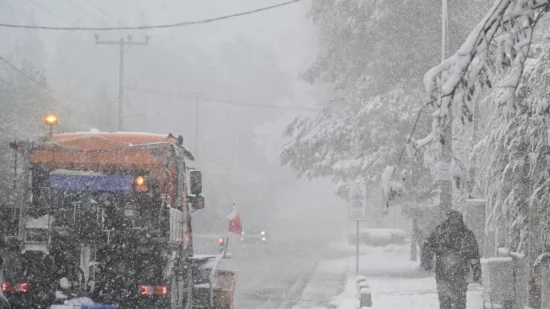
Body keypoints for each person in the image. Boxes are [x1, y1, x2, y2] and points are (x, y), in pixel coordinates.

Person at [421, 210, 482, 309]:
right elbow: (473, 255)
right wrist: (476, 270)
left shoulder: (439, 231)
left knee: (446, 301)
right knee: (458, 301)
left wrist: (427, 261)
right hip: (458, 274)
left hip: (445, 274)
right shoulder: (466, 233)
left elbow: (428, 246)